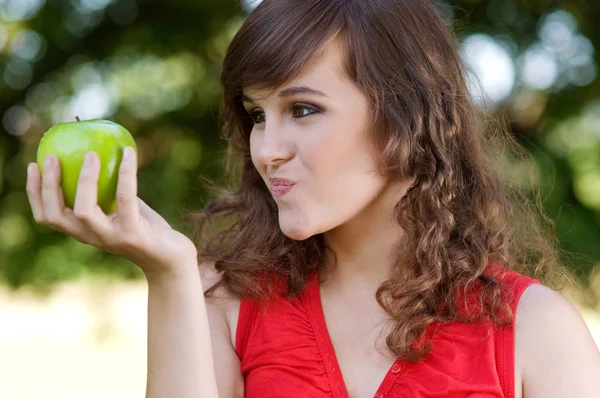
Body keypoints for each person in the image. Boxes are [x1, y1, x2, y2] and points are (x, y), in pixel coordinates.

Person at [26, 0, 600, 397]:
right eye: (256, 115)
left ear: (408, 117)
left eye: (303, 109)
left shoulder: (535, 330)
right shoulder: (225, 306)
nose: (266, 150)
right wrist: (169, 272)